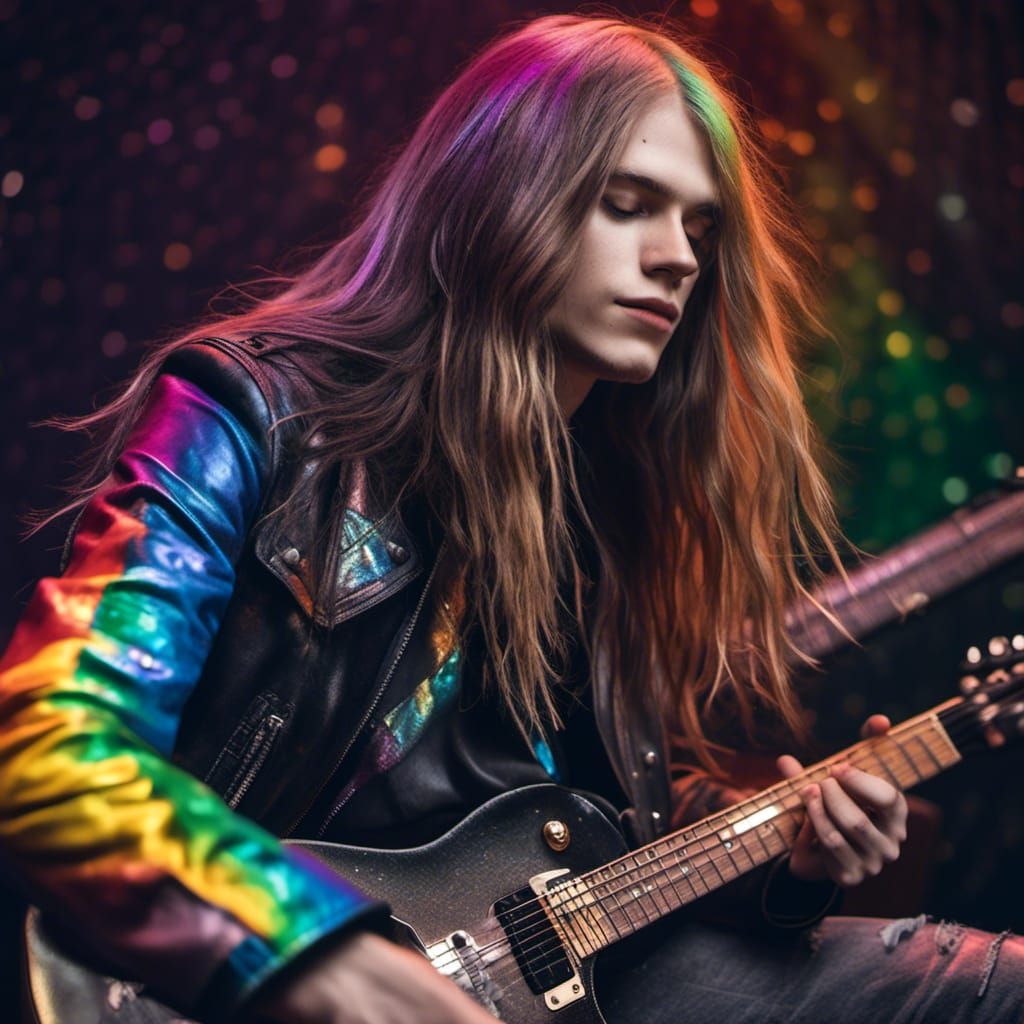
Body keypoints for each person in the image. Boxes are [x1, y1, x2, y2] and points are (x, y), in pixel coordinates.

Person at [1, 12, 1020, 1024]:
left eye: (699, 229)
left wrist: (787, 857)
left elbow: (602, 821)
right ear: (500, 195)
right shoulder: (249, 412)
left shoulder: (604, 499)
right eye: (628, 205)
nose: (677, 258)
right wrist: (315, 956)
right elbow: (48, 745)